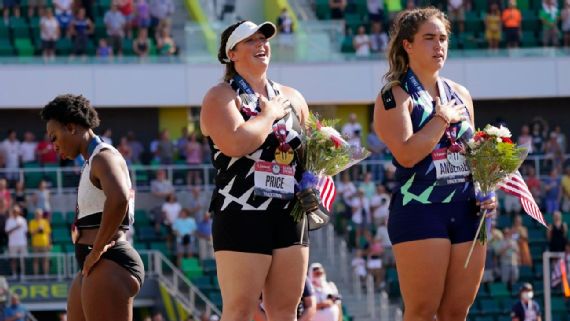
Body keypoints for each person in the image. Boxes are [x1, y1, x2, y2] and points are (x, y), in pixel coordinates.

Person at [373, 8, 498, 321]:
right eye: (429, 38)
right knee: (422, 311)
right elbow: (406, 154)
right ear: (408, 45)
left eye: (443, 38)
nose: (438, 45)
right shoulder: (395, 95)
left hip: (469, 209)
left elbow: (473, 153)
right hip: (421, 209)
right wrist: (441, 118)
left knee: (456, 312)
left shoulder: (460, 93)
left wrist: (487, 185)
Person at [200, 20, 312, 321]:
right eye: (251, 40)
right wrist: (269, 115)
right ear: (231, 53)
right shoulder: (220, 96)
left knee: (287, 311)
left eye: (264, 39)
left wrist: (320, 174)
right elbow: (236, 143)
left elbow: (309, 153)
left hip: (289, 212)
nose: (261, 44)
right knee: (240, 310)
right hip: (242, 210)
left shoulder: (293, 96)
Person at [41, 94, 144, 321]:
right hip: (94, 263)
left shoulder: (103, 157)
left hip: (108, 260)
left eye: (54, 137)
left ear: (71, 127)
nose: (54, 145)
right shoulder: (91, 160)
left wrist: (95, 251)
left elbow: (119, 199)